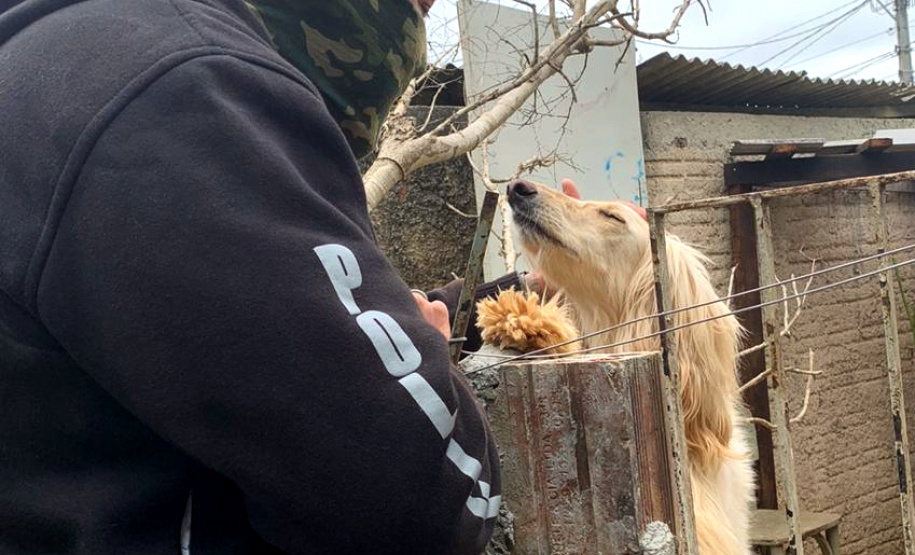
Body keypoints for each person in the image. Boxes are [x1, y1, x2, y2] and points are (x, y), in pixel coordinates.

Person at [0, 1, 518, 553]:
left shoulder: (52, 64)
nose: (411, 35)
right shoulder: (184, 89)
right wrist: (436, 366)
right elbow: (419, 495)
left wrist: (521, 291)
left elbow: (259, 341)